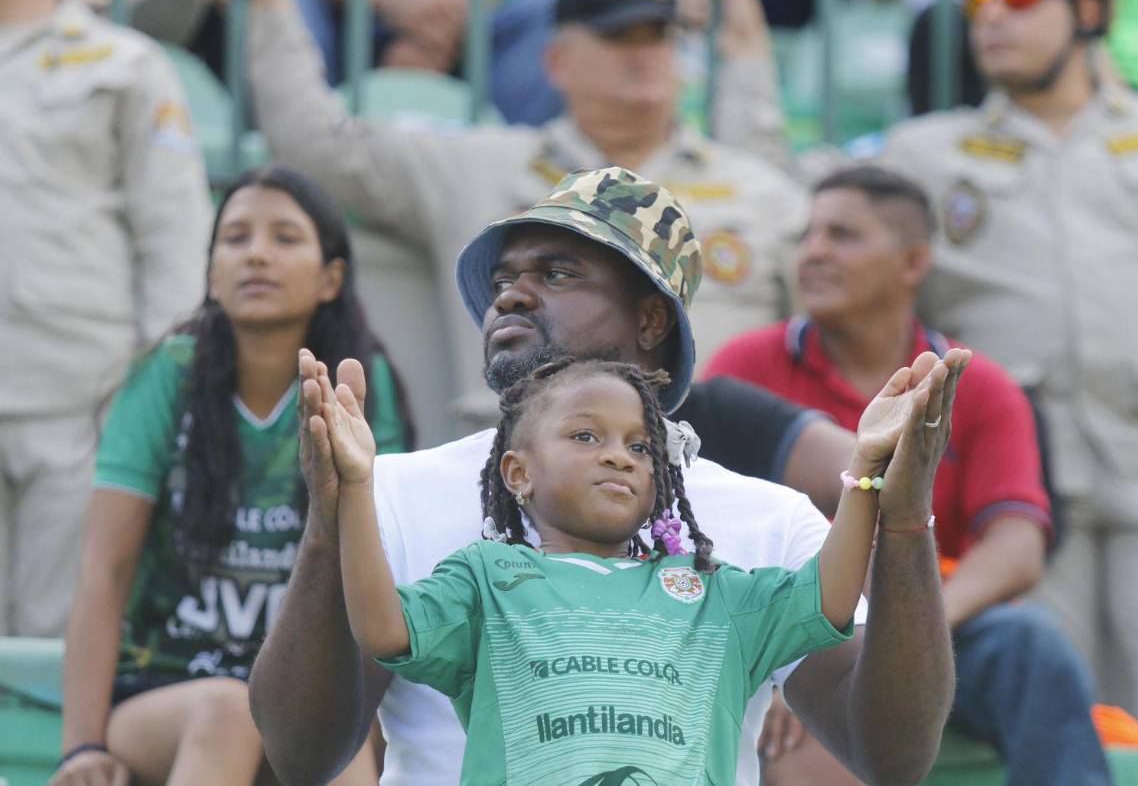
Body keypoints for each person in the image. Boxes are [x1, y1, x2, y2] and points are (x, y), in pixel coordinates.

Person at [249, 166, 965, 786]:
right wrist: (328, 523)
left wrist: (902, 521)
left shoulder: (762, 521)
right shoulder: (399, 491)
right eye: (504, 279)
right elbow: (302, 751)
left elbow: (890, 754)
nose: (513, 295)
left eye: (557, 272)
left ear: (652, 319)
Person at [311, 348, 953, 784]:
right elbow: (382, 629)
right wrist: (357, 486)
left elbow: (829, 599)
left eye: (640, 445)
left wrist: (867, 472)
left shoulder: (713, 593)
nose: (619, 457)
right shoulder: (485, 581)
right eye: (585, 436)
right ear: (517, 472)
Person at [882, 0, 1138, 748]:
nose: (993, 16)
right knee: (1050, 686)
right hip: (1015, 483)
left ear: (1090, 10)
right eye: (978, 0)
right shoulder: (924, 154)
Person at [245, 0, 803, 431]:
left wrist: (748, 60)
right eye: (617, 36)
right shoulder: (477, 165)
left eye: (658, 35)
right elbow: (317, 144)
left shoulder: (759, 187)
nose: (644, 55)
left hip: (709, 484)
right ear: (555, 62)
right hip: (511, 492)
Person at [707, 164, 1113, 786]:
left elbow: (1017, 546)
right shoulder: (745, 367)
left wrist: (910, 629)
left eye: (842, 235)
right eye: (807, 235)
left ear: (912, 263)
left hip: (939, 621)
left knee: (1032, 646)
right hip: (792, 628)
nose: (813, 253)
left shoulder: (977, 382)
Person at [52, 167, 413, 786]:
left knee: (340, 745)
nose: (258, 256)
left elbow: (382, 573)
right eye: (237, 237)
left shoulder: (360, 381)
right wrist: (80, 746)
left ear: (332, 278)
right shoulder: (167, 376)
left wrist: (377, 740)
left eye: (285, 238)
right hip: (162, 686)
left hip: (302, 686)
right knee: (226, 710)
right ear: (212, 273)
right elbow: (103, 573)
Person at [0, 0, 211, 638]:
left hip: (82, 399)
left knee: (53, 637)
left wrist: (151, 393)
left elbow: (175, 240)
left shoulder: (127, 65)